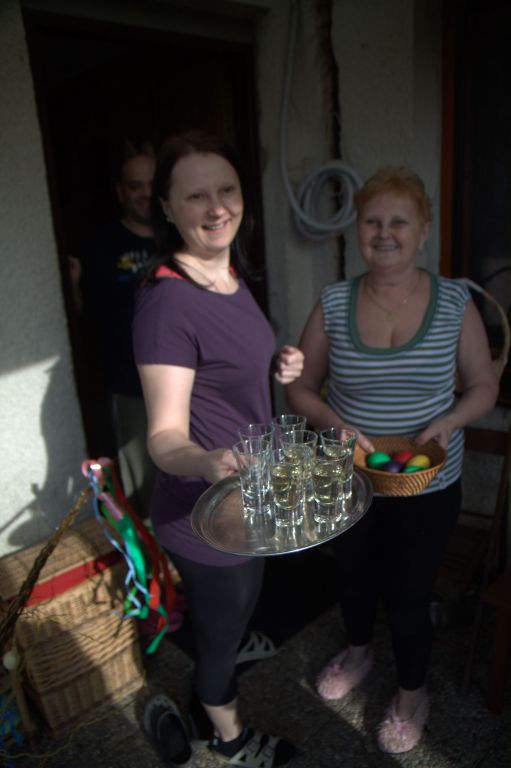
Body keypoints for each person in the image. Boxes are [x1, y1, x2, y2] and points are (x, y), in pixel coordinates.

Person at [286, 166, 499, 754]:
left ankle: (411, 694)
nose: (385, 233)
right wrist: (335, 424)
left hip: (428, 481)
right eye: (372, 221)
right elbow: (300, 388)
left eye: (399, 222)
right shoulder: (333, 301)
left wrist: (449, 421)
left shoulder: (454, 301)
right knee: (352, 575)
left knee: (408, 594)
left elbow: (484, 385)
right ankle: (359, 653)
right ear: (358, 230)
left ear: (423, 230)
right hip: (349, 475)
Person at [133, 130, 303, 767]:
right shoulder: (167, 302)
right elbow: (164, 437)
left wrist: (276, 363)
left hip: (248, 494)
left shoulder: (227, 273)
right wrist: (205, 461)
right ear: (167, 208)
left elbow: (224, 366)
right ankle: (227, 737)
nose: (216, 207)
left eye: (226, 189)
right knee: (221, 628)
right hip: (204, 512)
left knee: (243, 600)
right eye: (195, 195)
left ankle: (228, 637)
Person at [79, 142, 157, 516]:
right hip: (130, 385)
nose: (145, 194)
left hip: (189, 382)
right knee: (145, 484)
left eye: (152, 184)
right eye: (135, 185)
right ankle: (156, 551)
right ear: (120, 192)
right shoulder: (103, 245)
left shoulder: (179, 238)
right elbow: (85, 313)